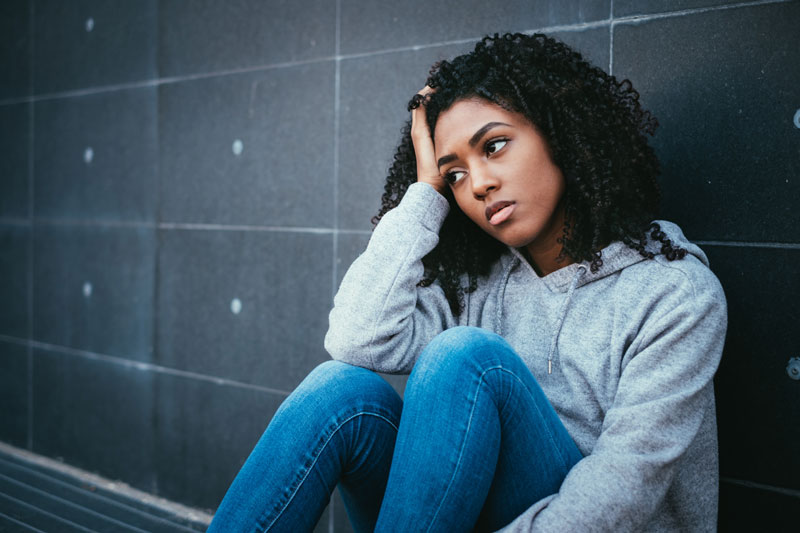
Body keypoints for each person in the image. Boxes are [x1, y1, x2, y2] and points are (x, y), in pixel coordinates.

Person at [208, 32, 727, 532]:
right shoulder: (481, 284)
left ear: (561, 135)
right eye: (455, 173)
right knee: (341, 390)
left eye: (495, 146)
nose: (478, 183)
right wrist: (425, 190)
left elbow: (625, 488)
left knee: (466, 358)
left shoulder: (673, 293)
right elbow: (355, 338)